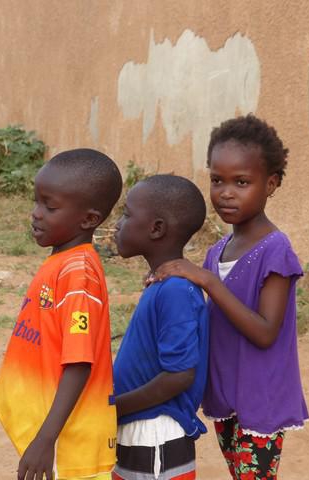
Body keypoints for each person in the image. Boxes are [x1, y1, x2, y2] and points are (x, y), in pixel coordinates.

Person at [155, 114, 309, 479]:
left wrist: (207, 281)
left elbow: (265, 331)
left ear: (271, 184)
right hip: (226, 392)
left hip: (261, 398)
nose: (226, 192)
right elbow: (210, 311)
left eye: (241, 182)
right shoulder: (219, 250)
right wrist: (171, 278)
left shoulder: (276, 250)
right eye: (217, 180)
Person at [0, 148, 122, 480]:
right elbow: (44, 337)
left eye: (50, 207)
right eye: (36, 202)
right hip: (58, 438)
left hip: (69, 445)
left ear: (89, 219)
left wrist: (46, 439)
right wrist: (7, 385)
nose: (36, 214)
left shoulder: (79, 274)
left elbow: (79, 362)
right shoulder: (63, 261)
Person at [112, 175, 209, 480]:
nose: (117, 224)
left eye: (126, 215)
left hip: (155, 435)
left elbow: (180, 374)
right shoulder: (163, 283)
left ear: (156, 228)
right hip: (140, 430)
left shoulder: (175, 290)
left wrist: (115, 407)